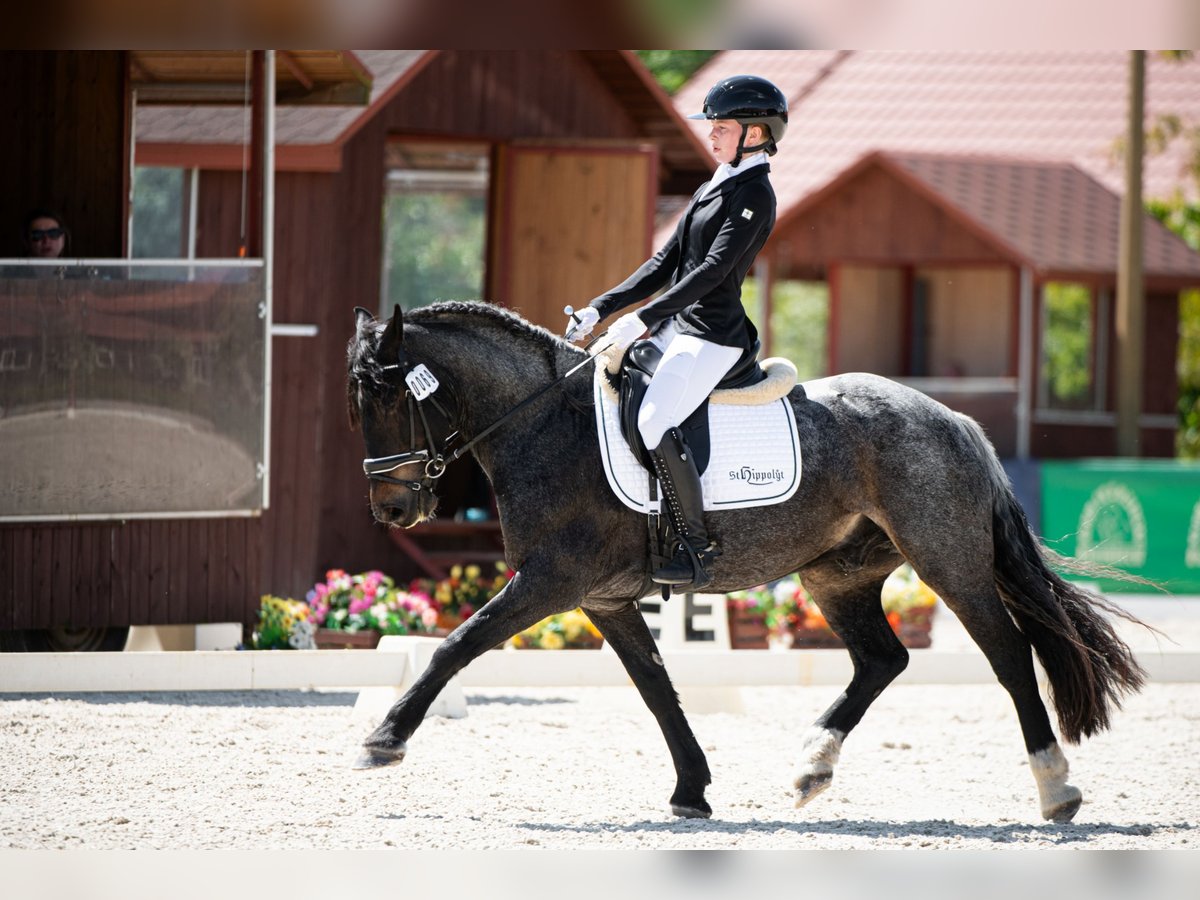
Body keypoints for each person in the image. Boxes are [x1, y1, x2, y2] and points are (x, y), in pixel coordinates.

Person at [568, 74, 787, 590]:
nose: (711, 135)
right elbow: (664, 262)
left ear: (754, 134)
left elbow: (711, 271)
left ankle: (694, 545)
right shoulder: (713, 184)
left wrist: (642, 318)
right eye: (711, 126)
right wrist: (601, 307)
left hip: (712, 333)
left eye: (722, 127)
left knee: (652, 419)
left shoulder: (755, 193)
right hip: (676, 324)